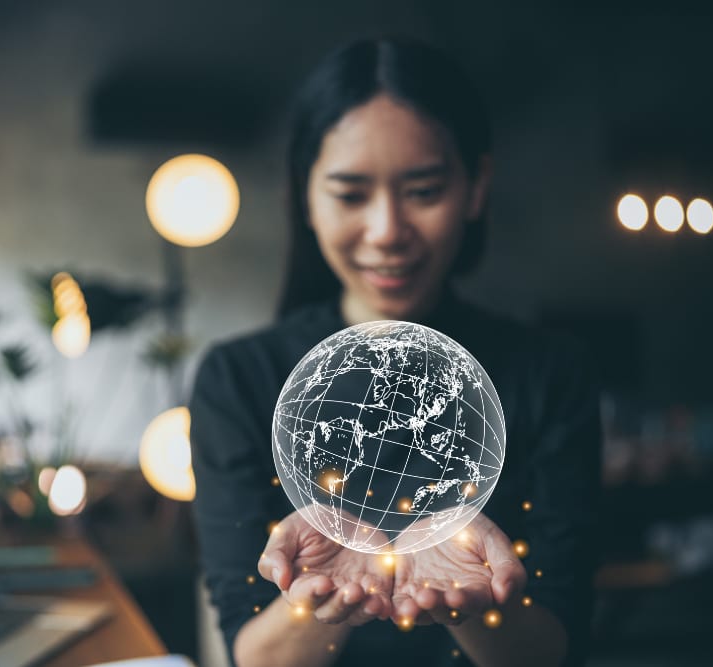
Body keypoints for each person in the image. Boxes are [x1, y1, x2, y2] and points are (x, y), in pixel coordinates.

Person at [189, 37, 600, 667]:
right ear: (306, 197)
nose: (386, 232)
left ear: (477, 186)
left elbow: (554, 649)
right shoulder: (238, 379)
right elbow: (255, 656)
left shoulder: (552, 373)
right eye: (351, 195)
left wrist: (469, 599)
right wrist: (320, 596)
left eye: (424, 191)